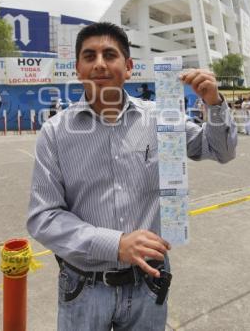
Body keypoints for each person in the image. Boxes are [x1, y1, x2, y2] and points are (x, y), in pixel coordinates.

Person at [27, 22, 237, 331]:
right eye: (90, 56)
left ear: (128, 67)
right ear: (78, 69)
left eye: (109, 54)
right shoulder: (55, 133)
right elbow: (43, 217)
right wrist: (115, 244)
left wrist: (214, 103)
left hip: (149, 284)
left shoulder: (161, 118)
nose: (99, 63)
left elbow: (221, 150)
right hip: (83, 287)